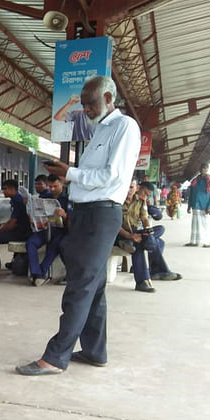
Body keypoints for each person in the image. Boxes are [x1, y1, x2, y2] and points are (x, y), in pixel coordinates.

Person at [16, 76, 140, 376]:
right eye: (83, 104)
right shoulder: (100, 129)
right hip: (87, 213)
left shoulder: (125, 128)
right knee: (93, 287)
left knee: (79, 286)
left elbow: (111, 175)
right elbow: (92, 172)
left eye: (91, 104)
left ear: (109, 98)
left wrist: (70, 173)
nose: (85, 109)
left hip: (101, 213)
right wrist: (69, 173)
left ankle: (55, 358)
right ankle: (96, 352)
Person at [26, 174, 69, 286]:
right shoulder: (45, 197)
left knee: (55, 245)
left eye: (55, 186)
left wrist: (64, 215)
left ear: (62, 184)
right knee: (31, 243)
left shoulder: (67, 199)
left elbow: (72, 220)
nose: (52, 189)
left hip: (59, 231)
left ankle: (41, 272)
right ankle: (37, 273)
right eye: (50, 187)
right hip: (45, 229)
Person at [136, 182, 181, 282]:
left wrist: (149, 208)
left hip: (142, 231)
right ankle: (161, 270)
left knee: (160, 232)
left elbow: (153, 217)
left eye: (148, 195)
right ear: (138, 188)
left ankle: (155, 270)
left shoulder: (142, 201)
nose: (145, 196)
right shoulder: (130, 200)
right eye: (145, 193)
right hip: (133, 231)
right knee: (157, 241)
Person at [186, 163, 210, 248]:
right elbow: (191, 193)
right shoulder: (195, 180)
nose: (204, 170)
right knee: (194, 223)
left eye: (206, 168)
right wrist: (189, 206)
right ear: (200, 169)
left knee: (205, 223)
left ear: (208, 169)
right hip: (195, 204)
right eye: (203, 168)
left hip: (205, 205)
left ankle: (206, 242)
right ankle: (194, 241)